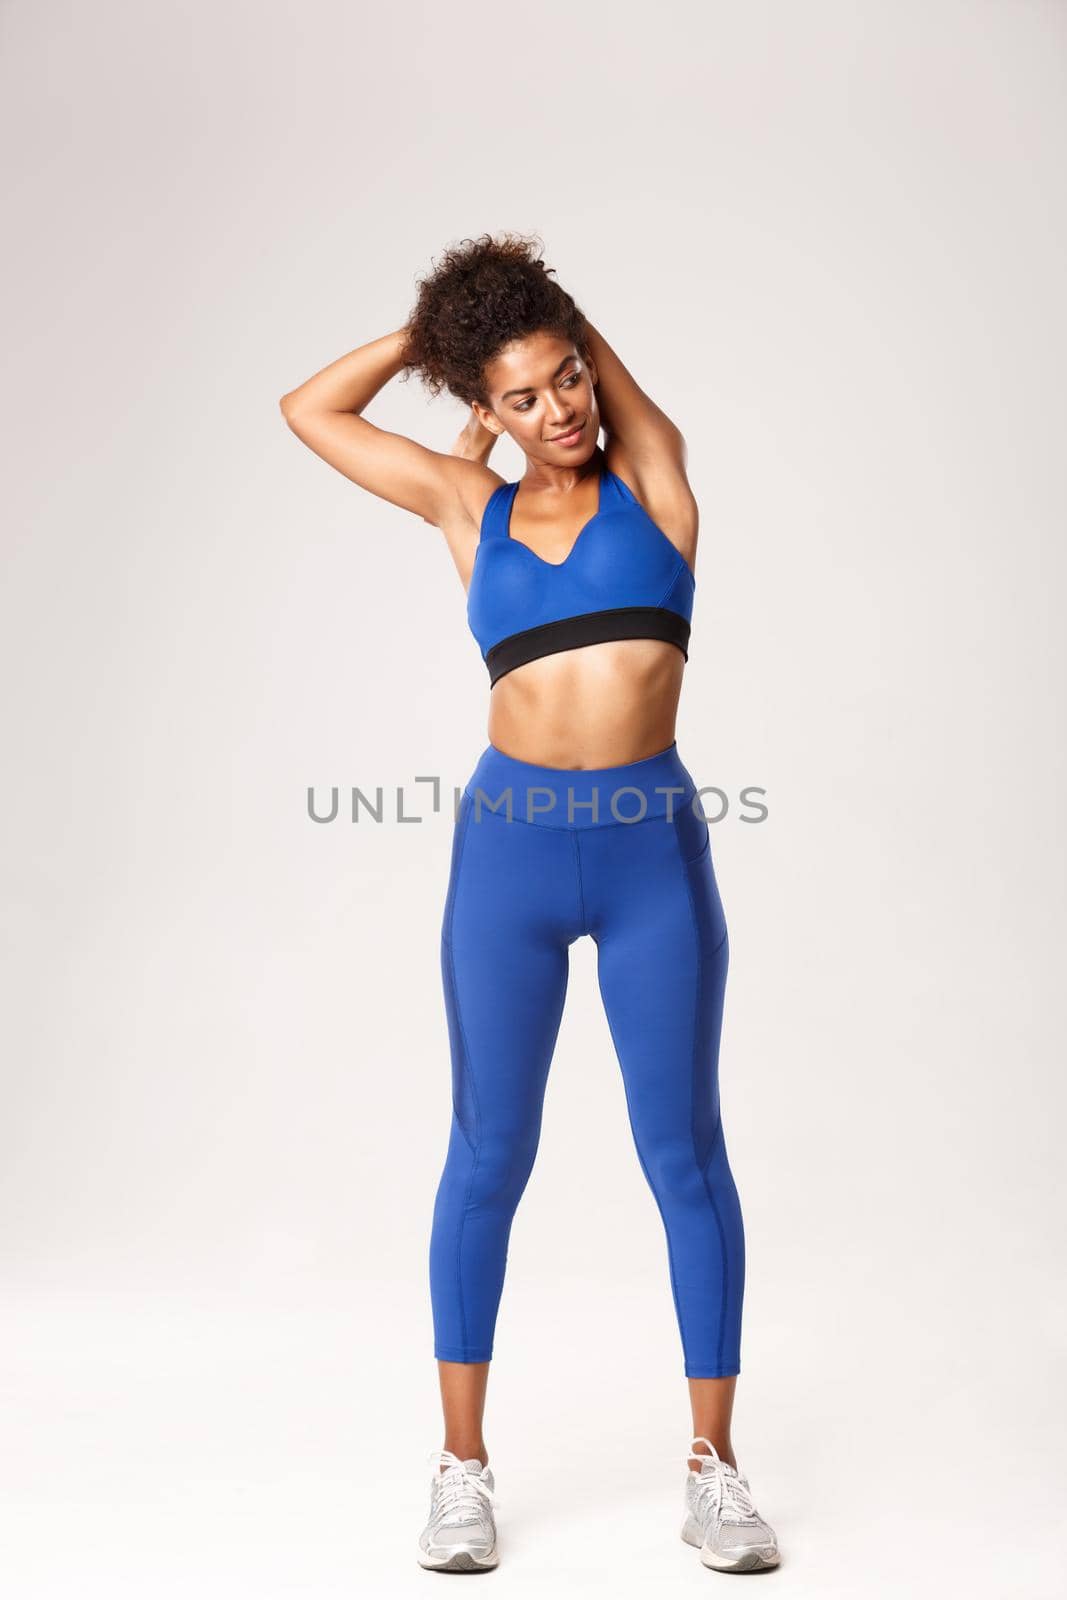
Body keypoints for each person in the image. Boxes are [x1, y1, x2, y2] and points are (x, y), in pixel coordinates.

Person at [279, 232, 780, 1575]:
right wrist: (437, 332)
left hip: (648, 855)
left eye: (567, 380)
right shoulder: (467, 506)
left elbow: (609, 390)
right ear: (480, 412)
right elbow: (307, 411)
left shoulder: (659, 486)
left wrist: (552, 311)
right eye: (524, 396)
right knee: (487, 1152)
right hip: (505, 856)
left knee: (682, 1153)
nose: (559, 410)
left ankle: (715, 1468)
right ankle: (461, 1469)